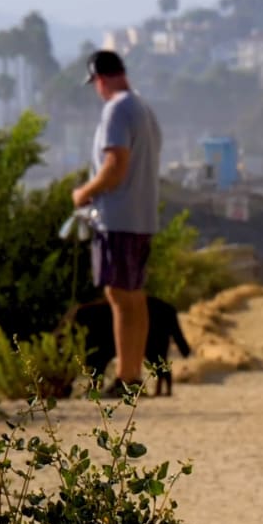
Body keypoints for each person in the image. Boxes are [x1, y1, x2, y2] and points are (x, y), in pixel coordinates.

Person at [72, 49, 164, 396]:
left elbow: (115, 165)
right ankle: (131, 373)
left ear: (99, 78)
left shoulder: (117, 110)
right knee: (133, 295)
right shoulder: (142, 108)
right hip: (141, 215)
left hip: (119, 217)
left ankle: (126, 378)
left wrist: (84, 192)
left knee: (119, 295)